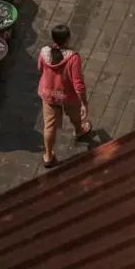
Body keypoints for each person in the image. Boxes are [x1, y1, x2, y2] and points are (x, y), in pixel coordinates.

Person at [38, 24, 91, 168]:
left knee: (49, 126)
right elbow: (78, 84)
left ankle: (48, 155)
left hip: (48, 93)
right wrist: (84, 103)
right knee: (75, 115)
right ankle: (79, 131)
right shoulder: (73, 58)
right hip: (67, 95)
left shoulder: (44, 52)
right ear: (68, 39)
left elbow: (40, 68)